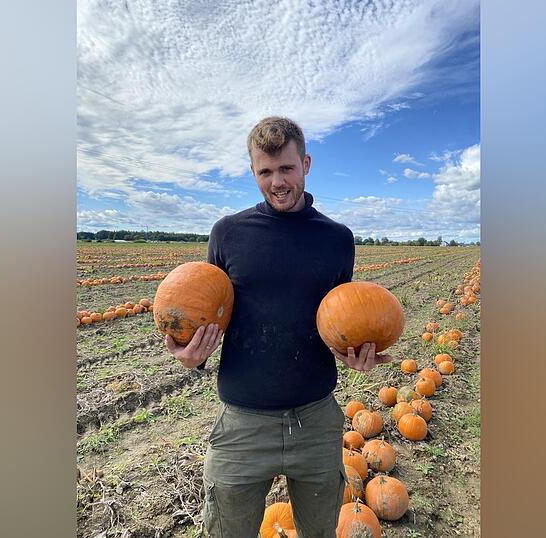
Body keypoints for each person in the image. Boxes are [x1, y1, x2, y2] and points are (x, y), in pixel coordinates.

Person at [165, 116, 392, 538]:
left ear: (305, 163)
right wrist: (190, 357)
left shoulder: (337, 238)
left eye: (286, 169)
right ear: (253, 171)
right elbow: (204, 307)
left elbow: (341, 317)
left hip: (316, 420)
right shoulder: (228, 234)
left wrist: (356, 353)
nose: (277, 182)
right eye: (265, 172)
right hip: (242, 425)